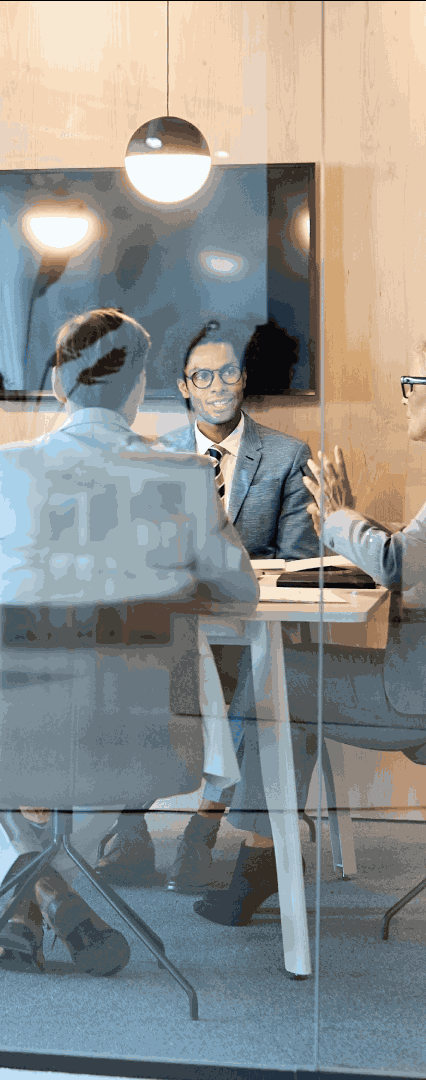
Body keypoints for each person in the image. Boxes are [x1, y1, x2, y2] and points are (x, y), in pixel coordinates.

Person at [0, 308, 259, 975]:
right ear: (139, 390)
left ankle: (33, 886)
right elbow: (239, 593)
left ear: (55, 386)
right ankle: (50, 892)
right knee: (84, 754)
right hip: (149, 737)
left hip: (15, 726)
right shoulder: (185, 474)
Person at [194, 348, 426, 926]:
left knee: (279, 680)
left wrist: (343, 518)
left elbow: (400, 562)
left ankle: (257, 855)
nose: (404, 395)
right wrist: (354, 525)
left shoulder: (283, 455)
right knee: (289, 674)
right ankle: (259, 849)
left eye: (410, 380)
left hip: (414, 695)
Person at [99, 319, 320, 890]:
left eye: (228, 371)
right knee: (129, 674)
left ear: (244, 379)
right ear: (184, 387)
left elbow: (297, 561)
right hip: (175, 626)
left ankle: (206, 825)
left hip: (252, 628)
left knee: (262, 683)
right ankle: (128, 826)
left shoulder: (286, 455)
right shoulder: (153, 455)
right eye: (204, 375)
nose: (218, 383)